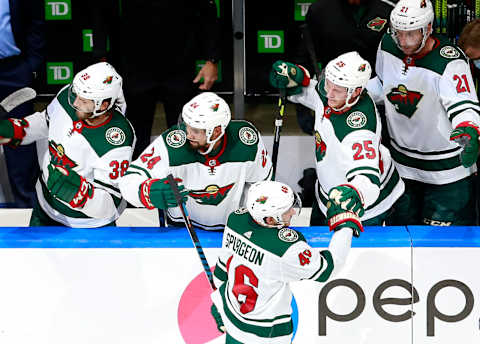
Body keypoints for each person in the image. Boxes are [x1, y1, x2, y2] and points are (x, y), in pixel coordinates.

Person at [367, 0, 480, 225]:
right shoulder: (387, 45)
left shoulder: (450, 61)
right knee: (401, 242)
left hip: (447, 174)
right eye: (399, 33)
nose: (404, 42)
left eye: (411, 34)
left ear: (427, 29)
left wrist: (469, 130)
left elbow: (464, 105)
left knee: (444, 249)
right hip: (402, 168)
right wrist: (348, 92)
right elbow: (382, 84)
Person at [210, 180, 356, 343]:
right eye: (287, 210)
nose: (293, 212)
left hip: (233, 319)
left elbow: (222, 272)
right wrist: (345, 226)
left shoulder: (236, 220)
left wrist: (219, 303)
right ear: (270, 220)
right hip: (266, 335)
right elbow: (328, 268)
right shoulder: (285, 249)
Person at [270, 52, 405, 227]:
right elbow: (316, 95)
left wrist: (354, 193)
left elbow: (368, 180)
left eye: (337, 90)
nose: (329, 94)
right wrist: (293, 83)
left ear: (356, 91)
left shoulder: (359, 128)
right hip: (327, 193)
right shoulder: (336, 93)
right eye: (328, 84)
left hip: (363, 209)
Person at [0, 62, 135, 227]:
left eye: (84, 101)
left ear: (103, 105)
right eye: (76, 94)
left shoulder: (117, 140)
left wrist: (81, 194)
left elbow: (110, 203)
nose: (76, 103)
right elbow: (46, 122)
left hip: (88, 225)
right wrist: (18, 130)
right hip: (45, 209)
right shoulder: (68, 96)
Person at [118, 92, 272, 231]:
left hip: (231, 232)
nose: (187, 134)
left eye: (196, 130)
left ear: (216, 131)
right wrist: (147, 191)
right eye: (186, 126)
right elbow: (128, 180)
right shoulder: (172, 144)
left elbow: (262, 187)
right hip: (181, 231)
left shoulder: (246, 143)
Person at [89, 0, 221, 159]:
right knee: (134, 141)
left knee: (187, 137)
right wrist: (100, 57)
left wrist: (212, 60)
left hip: (179, 65)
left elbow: (208, 12)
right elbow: (101, 12)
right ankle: (135, 181)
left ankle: (187, 180)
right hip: (134, 67)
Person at [294, 0, 395, 135]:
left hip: (379, 105)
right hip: (334, 102)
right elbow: (306, 57)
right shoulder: (320, 10)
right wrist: (302, 109)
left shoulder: (389, 9)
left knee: (381, 153)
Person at [0, 0, 45, 207]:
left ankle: (27, 208)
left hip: (13, 71)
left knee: (19, 141)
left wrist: (31, 65)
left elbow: (36, 24)